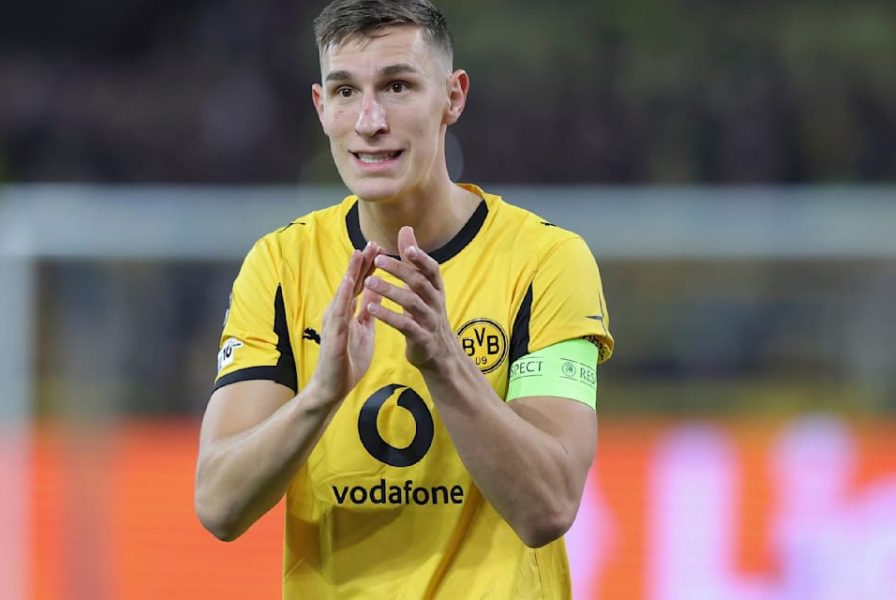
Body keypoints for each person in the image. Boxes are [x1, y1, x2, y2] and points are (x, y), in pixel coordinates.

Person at [194, 0, 612, 597]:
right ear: (321, 107)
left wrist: (444, 360)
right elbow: (218, 505)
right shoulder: (280, 266)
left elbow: (549, 507)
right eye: (345, 91)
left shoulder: (547, 261)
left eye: (397, 86)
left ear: (453, 97)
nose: (369, 121)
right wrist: (321, 395)